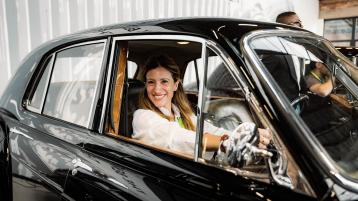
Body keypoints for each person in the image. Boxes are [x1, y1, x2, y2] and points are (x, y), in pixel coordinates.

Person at [132, 54, 272, 167]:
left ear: (175, 85)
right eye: (151, 82)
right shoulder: (142, 117)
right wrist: (228, 142)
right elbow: (179, 138)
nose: (157, 89)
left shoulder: (180, 113)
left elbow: (210, 130)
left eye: (164, 81)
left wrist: (243, 136)